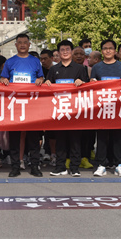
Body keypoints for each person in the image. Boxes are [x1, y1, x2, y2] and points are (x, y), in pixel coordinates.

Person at [0, 33, 44, 178]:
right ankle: (15, 167)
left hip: (32, 105)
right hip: (15, 105)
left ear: (29, 44)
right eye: (20, 42)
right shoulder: (10, 62)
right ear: (16, 45)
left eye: (25, 42)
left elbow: (41, 77)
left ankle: (35, 166)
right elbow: (3, 78)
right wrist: (4, 80)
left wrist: (40, 80)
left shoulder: (35, 61)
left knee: (33, 138)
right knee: (15, 138)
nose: (23, 45)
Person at [45, 40, 89, 177]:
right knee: (60, 140)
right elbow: (48, 88)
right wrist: (47, 83)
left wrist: (82, 82)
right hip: (60, 110)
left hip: (75, 110)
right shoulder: (53, 69)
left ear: (71, 51)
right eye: (62, 50)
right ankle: (60, 167)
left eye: (67, 49)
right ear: (58, 53)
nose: (65, 52)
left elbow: (88, 88)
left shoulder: (80, 68)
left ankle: (75, 167)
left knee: (75, 140)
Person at [90, 39, 121, 177]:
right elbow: (92, 86)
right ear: (102, 51)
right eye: (105, 48)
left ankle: (119, 165)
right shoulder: (97, 67)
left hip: (118, 107)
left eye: (111, 48)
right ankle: (101, 165)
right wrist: (92, 82)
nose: (108, 51)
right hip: (102, 106)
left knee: (118, 136)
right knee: (102, 136)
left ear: (115, 51)